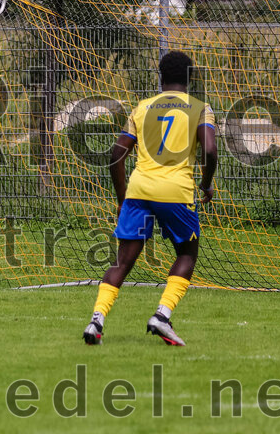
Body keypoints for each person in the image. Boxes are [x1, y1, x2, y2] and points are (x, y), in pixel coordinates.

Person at [83, 51, 217, 346]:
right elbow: (209, 150)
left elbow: (116, 155)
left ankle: (96, 320)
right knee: (186, 254)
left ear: (160, 76)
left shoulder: (142, 108)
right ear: (190, 78)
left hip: (139, 191)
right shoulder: (200, 108)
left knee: (122, 260)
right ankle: (162, 315)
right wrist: (206, 185)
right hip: (175, 192)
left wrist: (122, 198)